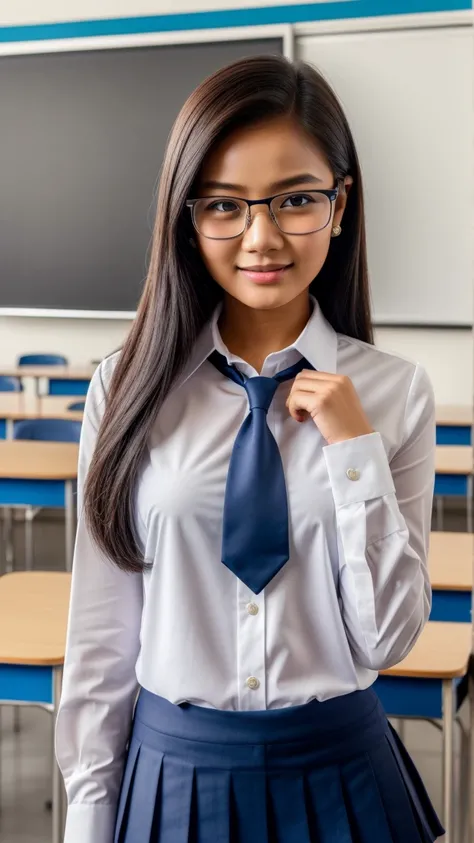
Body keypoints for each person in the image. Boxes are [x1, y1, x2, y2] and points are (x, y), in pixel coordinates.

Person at [55, 54, 443, 843]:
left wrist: (355, 452)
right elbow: (100, 638)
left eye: (296, 199)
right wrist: (90, 817)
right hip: (174, 777)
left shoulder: (395, 394)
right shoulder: (125, 390)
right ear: (187, 217)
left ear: (340, 206)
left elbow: (387, 639)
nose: (261, 237)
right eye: (224, 207)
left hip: (345, 776)